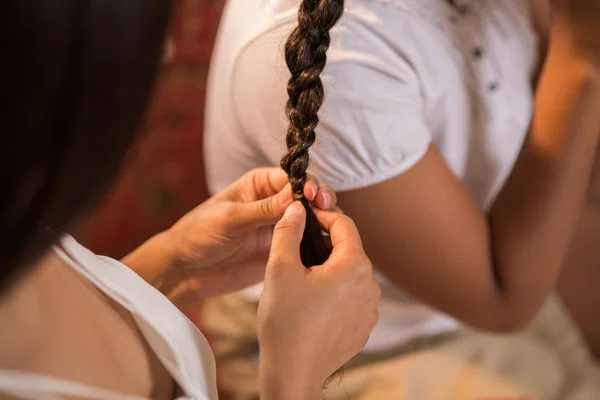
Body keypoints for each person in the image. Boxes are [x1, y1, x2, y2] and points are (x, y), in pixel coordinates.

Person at [204, 0, 600, 398]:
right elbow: (502, 301)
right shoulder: (337, 62)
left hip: (490, 241)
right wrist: (583, 51)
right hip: (358, 347)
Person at [0, 1, 382, 399]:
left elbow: (70, 332)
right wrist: (295, 376)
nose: (168, 53)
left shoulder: (20, 229)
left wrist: (170, 267)